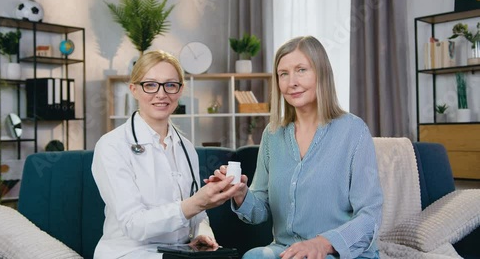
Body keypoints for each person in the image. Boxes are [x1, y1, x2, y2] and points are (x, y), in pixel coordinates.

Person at [207, 36, 383, 259]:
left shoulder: (353, 131)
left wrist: (324, 243)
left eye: (301, 70)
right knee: (254, 256)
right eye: (284, 74)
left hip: (343, 254)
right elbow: (260, 210)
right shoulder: (272, 135)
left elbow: (370, 215)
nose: (292, 82)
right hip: (286, 252)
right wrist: (241, 194)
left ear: (322, 73)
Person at [92, 50, 240, 259]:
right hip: (129, 253)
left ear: (180, 91)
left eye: (170, 85)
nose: (161, 94)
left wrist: (203, 232)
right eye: (150, 85)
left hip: (179, 252)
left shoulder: (186, 148)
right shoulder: (111, 146)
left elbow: (198, 214)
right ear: (134, 89)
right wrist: (197, 202)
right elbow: (133, 225)